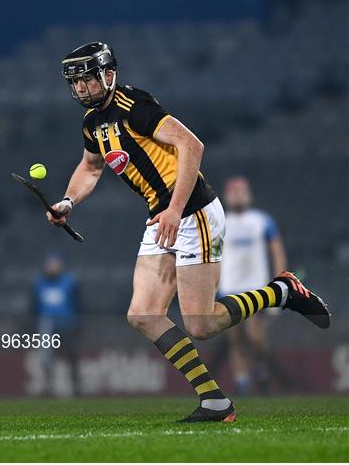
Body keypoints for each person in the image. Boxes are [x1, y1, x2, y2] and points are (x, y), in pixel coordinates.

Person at [47, 42, 331, 422]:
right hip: (161, 216)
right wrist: (68, 201)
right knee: (143, 314)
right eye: (75, 83)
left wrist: (175, 210)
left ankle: (281, 291)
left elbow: (191, 145)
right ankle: (215, 401)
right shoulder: (92, 124)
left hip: (192, 209)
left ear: (109, 74)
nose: (81, 89)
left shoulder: (137, 105)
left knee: (201, 324)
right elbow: (90, 167)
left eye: (87, 79)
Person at [217, 176, 293, 395]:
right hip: (228, 287)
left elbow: (276, 250)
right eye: (234, 192)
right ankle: (242, 380)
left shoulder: (262, 220)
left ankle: (260, 369)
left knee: (255, 337)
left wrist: (280, 280)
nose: (238, 195)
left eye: (241, 191)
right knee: (235, 338)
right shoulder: (221, 222)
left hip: (256, 288)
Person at [31, 253, 80, 396]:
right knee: (47, 359)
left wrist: (77, 324)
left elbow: (78, 304)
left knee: (71, 356)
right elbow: (33, 306)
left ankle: (76, 387)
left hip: (67, 326)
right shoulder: (39, 284)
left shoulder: (70, 282)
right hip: (47, 327)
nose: (52, 268)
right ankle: (48, 387)